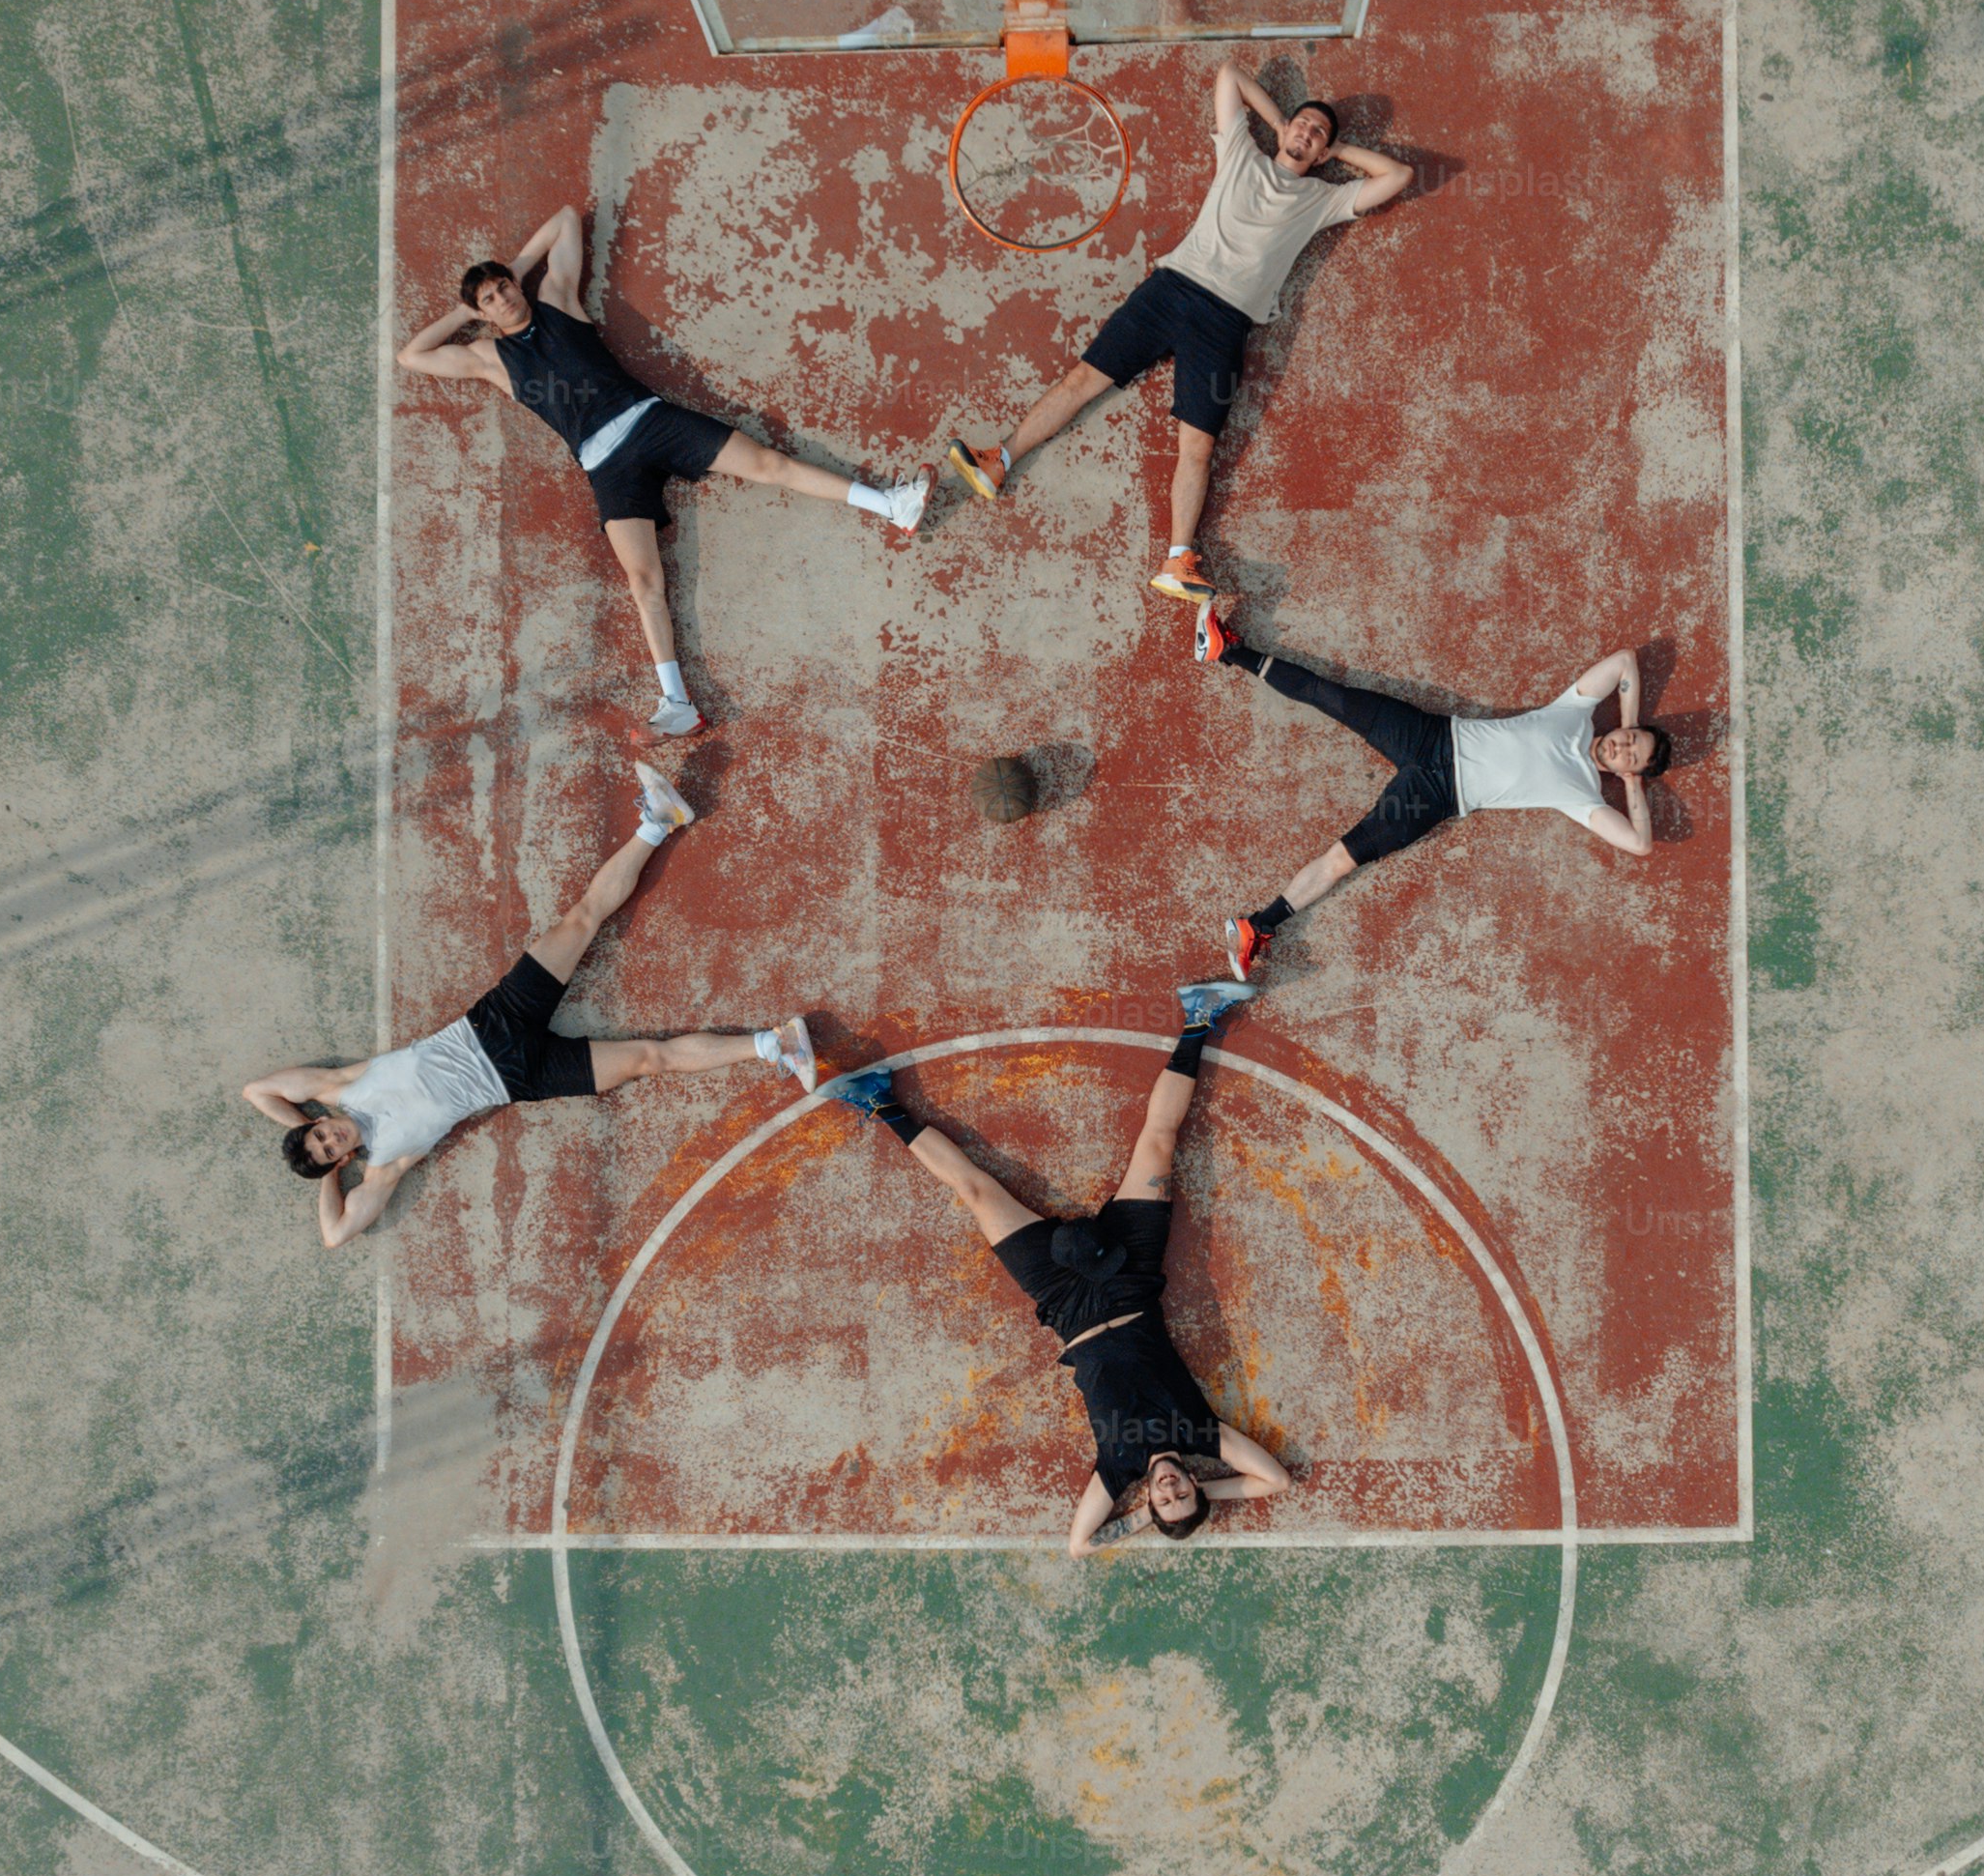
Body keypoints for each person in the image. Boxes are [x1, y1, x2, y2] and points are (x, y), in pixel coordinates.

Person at [242, 762, 819, 1249]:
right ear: (338, 1162)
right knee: (650, 1059)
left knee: (582, 919)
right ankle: (778, 1044)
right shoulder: (383, 1165)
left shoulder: (338, 1087)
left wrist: (300, 1124)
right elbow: (335, 1234)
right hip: (519, 1079)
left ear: (320, 1122)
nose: (330, 1140)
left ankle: (658, 823)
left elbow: (257, 1091)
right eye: (327, 1152)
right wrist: (331, 1175)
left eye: (320, 1137)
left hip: (490, 1025)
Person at [400, 204, 927, 736]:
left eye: (503, 286)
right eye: (488, 298)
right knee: (644, 581)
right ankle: (677, 704)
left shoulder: (556, 298)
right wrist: (464, 315)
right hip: (606, 467)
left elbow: (564, 218)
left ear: (515, 282)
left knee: (770, 464)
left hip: (652, 421)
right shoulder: (490, 358)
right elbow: (412, 356)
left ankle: (893, 505)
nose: (503, 297)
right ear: (483, 314)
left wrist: (515, 266)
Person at [819, 980, 1306, 1555]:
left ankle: (880, 1102)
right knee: (1158, 1144)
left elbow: (1081, 1545)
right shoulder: (1202, 1435)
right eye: (1184, 1494)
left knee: (977, 1193)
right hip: (1131, 1284)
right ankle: (1200, 1018)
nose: (1171, 1489)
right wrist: (1214, 1490)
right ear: (1194, 1482)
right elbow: (1275, 1480)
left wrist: (1141, 1522)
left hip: (1065, 1306)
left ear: (1149, 1499)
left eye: (1164, 1500)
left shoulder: (1118, 1468)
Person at [944, 66, 1409, 612]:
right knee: (1081, 380)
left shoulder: (1322, 201)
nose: (1306, 134)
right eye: (1302, 125)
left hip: (1226, 323)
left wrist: (1340, 148)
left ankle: (1178, 560)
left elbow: (1396, 175)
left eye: (1317, 135)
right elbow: (1230, 76)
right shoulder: (1241, 153)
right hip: (1169, 291)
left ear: (1324, 151)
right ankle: (999, 459)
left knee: (1199, 447)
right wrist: (1282, 120)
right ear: (1284, 130)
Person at [1191, 605, 1662, 980]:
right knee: (1327, 694)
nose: (1624, 747)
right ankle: (1225, 650)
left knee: (1342, 859)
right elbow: (1624, 662)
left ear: (1627, 772)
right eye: (1631, 739)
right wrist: (1631, 720)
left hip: (1435, 796)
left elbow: (1640, 843)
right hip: (1428, 735)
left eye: (1632, 757)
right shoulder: (1574, 713)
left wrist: (1632, 784)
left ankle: (1259, 925)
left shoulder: (1583, 796)